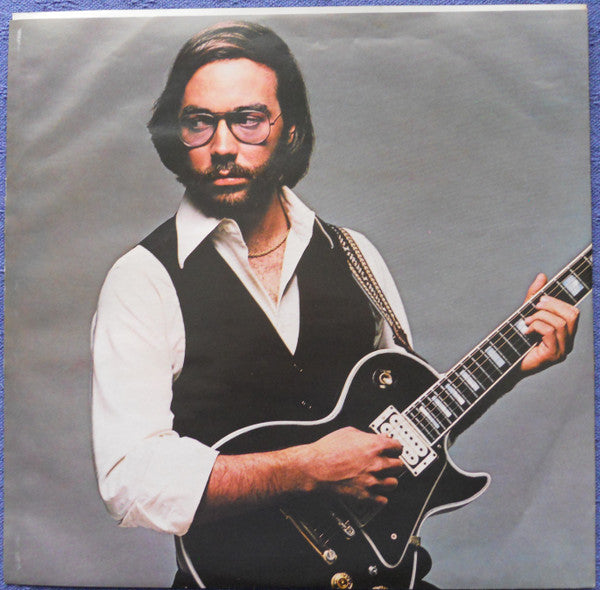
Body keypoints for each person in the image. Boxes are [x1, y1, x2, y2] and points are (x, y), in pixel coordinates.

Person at [91, 22, 580, 589]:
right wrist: (305, 469)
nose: (222, 146)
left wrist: (513, 367)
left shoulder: (354, 254)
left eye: (248, 119)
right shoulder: (142, 279)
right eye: (200, 122)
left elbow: (404, 431)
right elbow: (131, 478)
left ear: (291, 130)